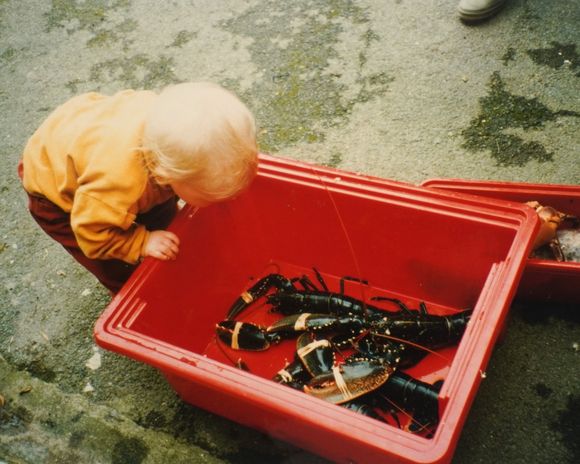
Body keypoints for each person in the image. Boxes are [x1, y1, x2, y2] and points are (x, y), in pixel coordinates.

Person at [19, 82, 258, 294]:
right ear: (166, 176)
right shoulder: (114, 184)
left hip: (85, 131)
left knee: (164, 228)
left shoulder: (169, 126)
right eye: (210, 196)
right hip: (55, 192)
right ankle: (137, 293)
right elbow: (92, 237)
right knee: (119, 266)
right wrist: (140, 243)